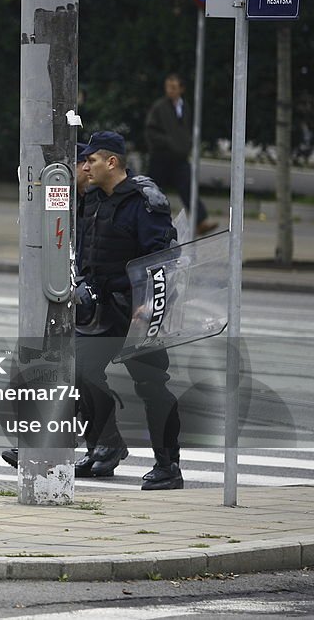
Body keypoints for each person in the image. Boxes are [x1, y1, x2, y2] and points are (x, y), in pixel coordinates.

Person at [75, 130, 183, 490]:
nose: (86, 165)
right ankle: (105, 447)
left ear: (112, 162)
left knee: (152, 385)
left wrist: (148, 310)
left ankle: (168, 465)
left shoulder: (144, 201)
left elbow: (163, 260)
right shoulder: (93, 199)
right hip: (101, 309)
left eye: (91, 160)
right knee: (80, 371)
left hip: (137, 310)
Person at [1, 143, 98, 478]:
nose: (85, 169)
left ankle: (62, 446)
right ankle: (36, 442)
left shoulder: (103, 203)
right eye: (81, 163)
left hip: (88, 305)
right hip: (56, 299)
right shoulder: (62, 198)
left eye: (88, 162)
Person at [145, 73, 217, 236]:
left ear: (181, 89)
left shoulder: (185, 107)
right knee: (153, 190)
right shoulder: (160, 107)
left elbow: (186, 129)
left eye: (174, 87)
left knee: (188, 188)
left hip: (179, 157)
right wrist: (167, 142)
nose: (170, 91)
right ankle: (149, 220)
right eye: (168, 87)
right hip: (161, 156)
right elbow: (151, 131)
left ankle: (201, 220)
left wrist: (186, 144)